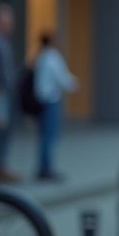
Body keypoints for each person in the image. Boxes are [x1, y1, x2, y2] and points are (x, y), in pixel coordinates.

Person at [33, 33, 78, 181]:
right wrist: (75, 84)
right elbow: (62, 78)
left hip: (41, 99)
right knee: (49, 136)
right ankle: (47, 169)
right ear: (52, 42)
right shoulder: (52, 56)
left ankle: (43, 167)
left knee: (43, 135)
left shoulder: (40, 56)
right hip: (50, 99)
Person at [0, 6, 18, 182]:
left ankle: (2, 166)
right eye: (8, 22)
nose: (11, 25)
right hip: (0, 95)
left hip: (4, 94)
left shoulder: (3, 41)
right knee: (1, 131)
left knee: (4, 132)